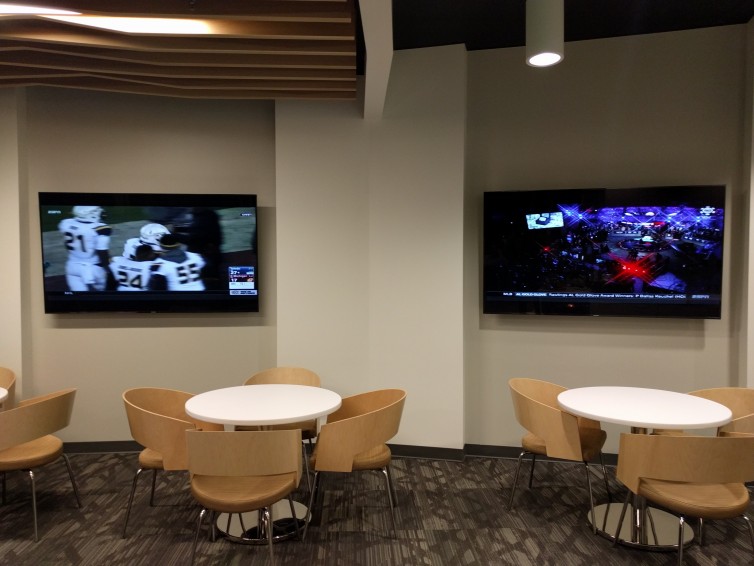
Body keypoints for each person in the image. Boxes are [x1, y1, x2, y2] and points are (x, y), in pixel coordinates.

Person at [57, 205, 111, 291]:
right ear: (89, 214)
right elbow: (102, 251)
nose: (100, 211)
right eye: (97, 210)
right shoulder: (100, 228)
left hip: (72, 265)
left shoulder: (66, 223)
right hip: (92, 267)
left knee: (79, 298)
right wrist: (108, 269)